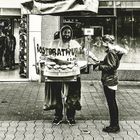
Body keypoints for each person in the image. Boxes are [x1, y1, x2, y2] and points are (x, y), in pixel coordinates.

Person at [43, 25, 98, 125]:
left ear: (71, 34)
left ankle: (71, 116)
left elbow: (84, 51)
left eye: (68, 32)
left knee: (73, 94)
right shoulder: (54, 43)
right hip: (56, 73)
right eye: (65, 32)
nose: (66, 34)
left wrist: (94, 58)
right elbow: (46, 53)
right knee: (56, 95)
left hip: (72, 72)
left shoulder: (74, 43)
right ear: (61, 33)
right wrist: (53, 59)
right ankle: (58, 115)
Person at [93, 34, 128, 133]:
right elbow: (110, 64)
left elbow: (112, 66)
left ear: (107, 42)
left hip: (109, 79)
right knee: (112, 102)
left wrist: (99, 67)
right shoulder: (113, 52)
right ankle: (114, 124)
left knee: (111, 103)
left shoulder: (111, 53)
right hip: (111, 79)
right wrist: (100, 62)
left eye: (103, 42)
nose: (102, 44)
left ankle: (114, 125)